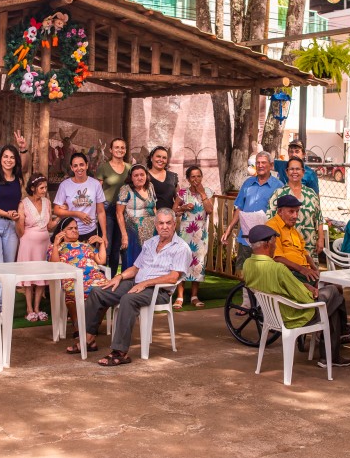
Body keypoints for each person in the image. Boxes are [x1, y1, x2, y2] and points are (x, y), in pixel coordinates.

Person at [67, 209, 191, 366]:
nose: (164, 226)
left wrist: (145, 283)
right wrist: (119, 277)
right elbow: (136, 268)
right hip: (137, 283)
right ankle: (89, 339)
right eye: (161, 223)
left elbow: (173, 278)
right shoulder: (150, 243)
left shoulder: (181, 248)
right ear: (156, 225)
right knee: (100, 291)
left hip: (158, 290)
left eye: (168, 223)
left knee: (128, 299)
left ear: (174, 225)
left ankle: (120, 352)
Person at [243, 225, 350, 368]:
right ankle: (341, 334)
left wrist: (305, 286)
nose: (275, 246)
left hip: (272, 315)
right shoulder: (278, 269)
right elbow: (305, 299)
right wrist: (310, 289)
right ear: (268, 244)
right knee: (333, 291)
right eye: (275, 242)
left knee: (333, 304)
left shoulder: (247, 264)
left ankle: (331, 356)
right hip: (294, 316)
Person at [266, 195, 350, 344]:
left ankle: (337, 329)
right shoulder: (272, 227)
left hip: (304, 271)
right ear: (280, 211)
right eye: (291, 212)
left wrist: (315, 269)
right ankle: (328, 330)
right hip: (291, 273)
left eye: (297, 212)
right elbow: (277, 258)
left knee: (336, 287)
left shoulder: (293, 230)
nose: (295, 216)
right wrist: (303, 270)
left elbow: (304, 253)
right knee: (331, 291)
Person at [220, 151, 284, 274]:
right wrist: (229, 229)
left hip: (266, 240)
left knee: (263, 274)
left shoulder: (279, 186)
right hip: (245, 237)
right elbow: (239, 208)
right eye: (258, 163)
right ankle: (245, 294)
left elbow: (281, 213)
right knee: (243, 272)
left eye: (263, 163)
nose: (260, 165)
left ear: (270, 165)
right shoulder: (247, 183)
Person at [50, 217, 109, 331]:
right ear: (62, 232)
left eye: (76, 228)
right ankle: (78, 327)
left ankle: (92, 327)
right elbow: (54, 265)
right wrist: (56, 245)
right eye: (70, 228)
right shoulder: (55, 247)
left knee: (107, 292)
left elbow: (101, 261)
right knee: (72, 292)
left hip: (94, 277)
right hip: (72, 278)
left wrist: (101, 243)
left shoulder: (86, 245)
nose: (75, 230)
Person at [16, 173, 56, 321]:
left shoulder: (47, 202)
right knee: (28, 278)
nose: (44, 190)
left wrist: (59, 218)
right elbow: (20, 231)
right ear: (33, 188)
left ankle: (38, 308)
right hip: (28, 245)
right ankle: (29, 309)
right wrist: (17, 221)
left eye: (45, 187)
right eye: (41, 187)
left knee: (41, 277)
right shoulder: (23, 204)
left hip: (44, 243)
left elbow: (49, 225)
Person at [173, 166, 214, 309]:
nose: (196, 179)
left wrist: (202, 193)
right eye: (193, 177)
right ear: (188, 179)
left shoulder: (207, 192)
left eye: (198, 176)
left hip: (200, 232)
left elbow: (209, 210)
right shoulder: (183, 193)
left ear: (202, 177)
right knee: (183, 261)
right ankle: (179, 296)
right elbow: (173, 211)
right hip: (185, 231)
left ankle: (194, 296)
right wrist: (183, 208)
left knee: (198, 263)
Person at [267, 156, 324, 257]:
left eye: (297, 169)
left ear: (303, 172)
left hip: (309, 245)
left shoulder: (311, 194)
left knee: (309, 271)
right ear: (286, 172)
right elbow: (271, 220)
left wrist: (321, 239)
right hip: (286, 245)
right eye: (291, 169)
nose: (294, 172)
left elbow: (318, 218)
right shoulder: (279, 194)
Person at [53, 152, 107, 243]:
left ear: (87, 165)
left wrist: (104, 235)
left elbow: (101, 212)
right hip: (70, 233)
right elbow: (56, 210)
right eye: (75, 166)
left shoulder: (95, 184)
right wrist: (76, 213)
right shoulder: (65, 185)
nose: (79, 168)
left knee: (89, 257)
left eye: (81, 165)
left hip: (90, 233)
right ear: (72, 168)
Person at [95, 138, 131, 277]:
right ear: (110, 150)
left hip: (124, 211)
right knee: (106, 244)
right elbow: (97, 192)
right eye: (116, 147)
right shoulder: (103, 168)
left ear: (125, 150)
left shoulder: (129, 168)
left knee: (118, 247)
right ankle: (100, 278)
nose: (120, 150)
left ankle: (112, 280)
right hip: (107, 209)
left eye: (122, 147)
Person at [116, 164, 157, 269]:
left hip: (151, 231)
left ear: (146, 176)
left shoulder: (150, 186)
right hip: (133, 231)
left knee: (150, 260)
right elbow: (119, 213)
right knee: (132, 261)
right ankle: (130, 284)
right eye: (136, 175)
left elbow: (154, 208)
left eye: (142, 175)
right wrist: (124, 235)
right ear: (131, 177)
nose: (140, 178)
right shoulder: (125, 189)